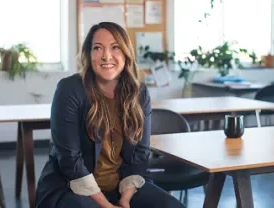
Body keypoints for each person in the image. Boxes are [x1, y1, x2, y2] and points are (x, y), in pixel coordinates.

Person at [35, 22, 185, 208]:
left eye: (115, 47)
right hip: (72, 187)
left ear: (126, 53)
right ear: (89, 55)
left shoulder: (139, 92)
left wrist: (126, 198)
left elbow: (140, 153)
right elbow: (70, 160)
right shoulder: (69, 89)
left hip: (124, 185)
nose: (107, 56)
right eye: (98, 48)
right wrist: (106, 205)